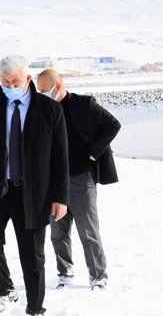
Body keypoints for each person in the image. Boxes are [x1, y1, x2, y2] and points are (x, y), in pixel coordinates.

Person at [0, 55, 69, 316]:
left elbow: (60, 156)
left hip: (33, 192)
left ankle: (35, 308)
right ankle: (5, 290)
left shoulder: (49, 109)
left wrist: (60, 197)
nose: (10, 86)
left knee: (32, 255)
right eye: (5, 82)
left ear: (28, 78)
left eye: (15, 81)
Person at [35, 68, 121, 290]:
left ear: (58, 86)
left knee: (88, 231)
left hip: (81, 178)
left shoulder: (84, 104)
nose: (40, 95)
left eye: (43, 90)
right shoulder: (42, 110)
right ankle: (65, 272)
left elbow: (113, 125)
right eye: (38, 91)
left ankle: (98, 276)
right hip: (55, 180)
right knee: (58, 232)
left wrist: (93, 153)